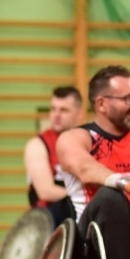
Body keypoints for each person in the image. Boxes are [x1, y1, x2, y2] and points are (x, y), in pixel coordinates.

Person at [57, 65, 130, 259]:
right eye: (128, 98)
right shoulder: (77, 137)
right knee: (110, 197)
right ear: (102, 104)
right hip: (95, 245)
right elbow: (83, 167)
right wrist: (124, 182)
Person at [24, 86, 82, 226]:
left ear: (78, 114)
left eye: (63, 110)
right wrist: (82, 198)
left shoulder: (86, 142)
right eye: (53, 109)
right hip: (49, 219)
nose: (56, 115)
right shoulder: (37, 145)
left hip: (77, 214)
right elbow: (46, 191)